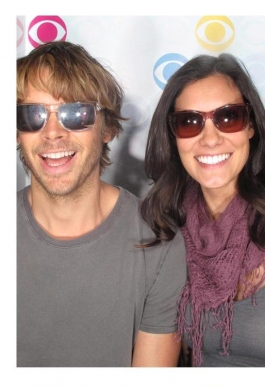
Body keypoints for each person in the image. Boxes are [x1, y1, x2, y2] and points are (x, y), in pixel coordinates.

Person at [17, 41, 186, 368]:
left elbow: (149, 382)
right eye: (32, 114)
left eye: (75, 114)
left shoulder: (160, 244)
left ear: (107, 127)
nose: (52, 133)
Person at [142, 54, 265, 367]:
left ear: (251, 125)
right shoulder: (167, 221)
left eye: (228, 117)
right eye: (189, 122)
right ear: (172, 135)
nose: (210, 139)